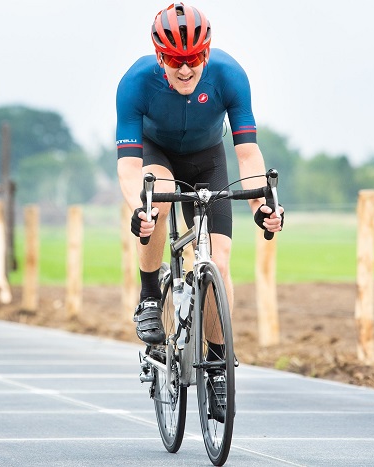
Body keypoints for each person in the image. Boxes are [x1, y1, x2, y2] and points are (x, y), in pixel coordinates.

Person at [116, 3, 284, 418]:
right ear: (160, 57)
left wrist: (262, 206)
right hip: (157, 156)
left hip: (209, 159)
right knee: (158, 195)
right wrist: (141, 209)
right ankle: (150, 296)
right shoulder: (136, 83)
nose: (185, 69)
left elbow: (247, 155)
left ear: (206, 53)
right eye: (175, 60)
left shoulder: (230, 75)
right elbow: (129, 167)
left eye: (193, 59)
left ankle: (217, 368)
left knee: (219, 261)